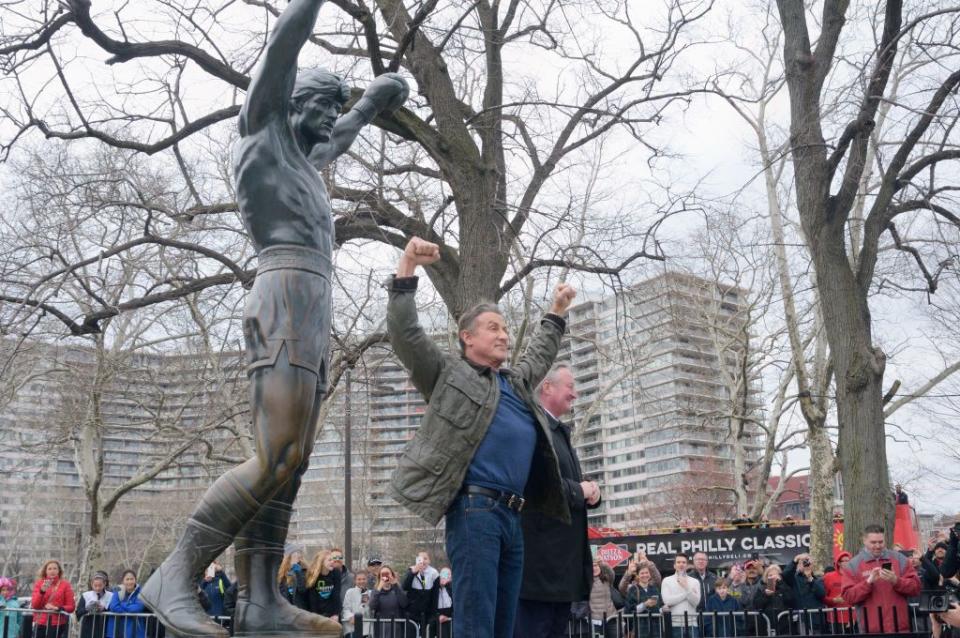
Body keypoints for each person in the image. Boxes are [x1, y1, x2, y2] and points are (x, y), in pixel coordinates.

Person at [139, 0, 409, 634]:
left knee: (294, 458)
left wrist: (372, 101)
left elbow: (341, 131)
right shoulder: (262, 131)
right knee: (276, 450)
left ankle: (260, 601)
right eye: (319, 107)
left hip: (313, 302)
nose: (328, 122)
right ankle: (175, 573)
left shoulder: (308, 159)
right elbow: (281, 54)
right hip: (282, 290)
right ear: (290, 103)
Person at [385, 236, 576, 638]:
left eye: (506, 328)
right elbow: (407, 335)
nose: (504, 335)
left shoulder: (516, 384)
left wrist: (556, 311)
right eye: (493, 328)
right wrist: (407, 268)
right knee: (476, 625)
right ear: (467, 337)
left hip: (513, 518)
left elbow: (539, 352)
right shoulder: (448, 374)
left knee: (503, 627)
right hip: (476, 514)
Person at [515, 363, 601, 638]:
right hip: (539, 571)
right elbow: (537, 485)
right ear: (548, 387)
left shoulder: (558, 431)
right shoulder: (532, 428)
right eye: (570, 386)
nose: (575, 394)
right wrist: (581, 490)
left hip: (561, 572)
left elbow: (565, 481)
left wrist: (591, 492)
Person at [842, 524, 921, 633]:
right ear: (864, 541)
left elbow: (916, 587)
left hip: (900, 629)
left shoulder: (900, 559)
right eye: (873, 542)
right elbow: (848, 596)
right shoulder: (853, 565)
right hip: (871, 631)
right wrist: (868, 583)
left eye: (881, 542)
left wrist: (896, 581)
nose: (878, 546)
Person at [30, 560, 75, 638]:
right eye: (49, 569)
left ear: (59, 571)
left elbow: (71, 607)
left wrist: (57, 608)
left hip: (58, 624)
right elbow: (35, 605)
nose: (52, 571)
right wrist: (42, 591)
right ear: (45, 571)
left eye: (55, 568)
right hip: (40, 622)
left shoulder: (65, 585)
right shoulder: (39, 583)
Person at [783, 552, 825, 634]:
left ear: (812, 565)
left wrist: (810, 578)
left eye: (808, 562)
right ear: (798, 565)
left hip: (816, 620)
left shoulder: (817, 579)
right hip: (802, 619)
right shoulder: (794, 579)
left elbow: (821, 594)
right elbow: (785, 574)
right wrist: (795, 560)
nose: (805, 564)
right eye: (803, 562)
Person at [661, 554, 701, 638]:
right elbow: (667, 601)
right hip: (674, 624)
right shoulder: (667, 581)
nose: (681, 564)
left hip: (692, 624)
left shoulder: (695, 582)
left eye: (683, 562)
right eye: (678, 562)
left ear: (687, 565)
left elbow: (696, 602)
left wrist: (686, 586)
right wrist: (687, 592)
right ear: (674, 565)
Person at [402, 551, 439, 634]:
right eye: (420, 559)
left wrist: (433, 616)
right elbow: (404, 586)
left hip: (427, 614)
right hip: (412, 613)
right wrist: (412, 573)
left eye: (425, 559)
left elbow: (435, 596)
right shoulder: (411, 570)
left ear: (429, 561)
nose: (423, 561)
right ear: (416, 560)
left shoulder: (434, 573)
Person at [751, 565, 793, 636]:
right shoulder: (761, 589)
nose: (773, 577)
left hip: (783, 628)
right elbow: (756, 605)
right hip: (766, 627)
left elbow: (790, 600)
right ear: (766, 577)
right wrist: (766, 595)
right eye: (770, 575)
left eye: (775, 575)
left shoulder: (785, 587)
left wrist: (781, 583)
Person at [369, 566, 408, 638]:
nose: (385, 576)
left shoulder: (397, 589)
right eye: (383, 574)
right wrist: (379, 588)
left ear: (392, 575)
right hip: (381, 628)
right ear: (379, 577)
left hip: (396, 628)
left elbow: (404, 603)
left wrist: (395, 585)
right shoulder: (376, 591)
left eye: (387, 574)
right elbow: (372, 606)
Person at [107, 570, 147, 638]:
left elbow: (138, 608)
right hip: (117, 628)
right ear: (123, 581)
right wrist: (129, 607)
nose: (129, 582)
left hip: (135, 629)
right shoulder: (117, 589)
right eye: (127, 579)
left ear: (135, 580)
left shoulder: (141, 592)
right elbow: (113, 606)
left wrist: (121, 604)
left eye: (132, 579)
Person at [625, 564, 662, 638]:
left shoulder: (654, 589)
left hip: (656, 627)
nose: (645, 575)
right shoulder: (632, 590)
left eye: (647, 573)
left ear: (650, 574)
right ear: (637, 575)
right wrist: (645, 605)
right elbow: (628, 611)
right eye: (642, 573)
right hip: (640, 628)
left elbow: (661, 605)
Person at [306, 551, 343, 623]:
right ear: (321, 562)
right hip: (317, 614)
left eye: (333, 559)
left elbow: (336, 594)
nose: (333, 561)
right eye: (329, 560)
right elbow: (312, 599)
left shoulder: (336, 573)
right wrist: (316, 617)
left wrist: (336, 614)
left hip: (332, 614)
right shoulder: (313, 575)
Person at [822, 552, 854, 632]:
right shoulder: (828, 577)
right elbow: (822, 597)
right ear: (839, 563)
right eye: (845, 561)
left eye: (849, 561)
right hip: (834, 618)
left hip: (852, 618)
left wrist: (854, 617)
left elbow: (858, 599)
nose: (848, 563)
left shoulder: (855, 576)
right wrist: (834, 600)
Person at [76, 571, 114, 638]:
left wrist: (104, 609)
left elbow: (114, 610)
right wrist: (88, 608)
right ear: (91, 584)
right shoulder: (86, 595)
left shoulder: (111, 595)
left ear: (104, 584)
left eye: (100, 585)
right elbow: (78, 612)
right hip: (88, 628)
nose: (98, 588)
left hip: (104, 628)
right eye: (95, 586)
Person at [341, 573, 371, 638]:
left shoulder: (370, 593)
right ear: (355, 581)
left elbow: (368, 613)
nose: (362, 581)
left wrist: (364, 598)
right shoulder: (350, 592)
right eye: (359, 579)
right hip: (351, 628)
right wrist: (351, 617)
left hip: (366, 630)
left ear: (367, 580)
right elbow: (345, 609)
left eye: (364, 579)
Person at [434, 568, 453, 638]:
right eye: (443, 574)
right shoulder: (435, 588)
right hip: (438, 619)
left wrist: (448, 584)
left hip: (451, 620)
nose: (445, 577)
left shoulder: (452, 588)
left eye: (448, 575)